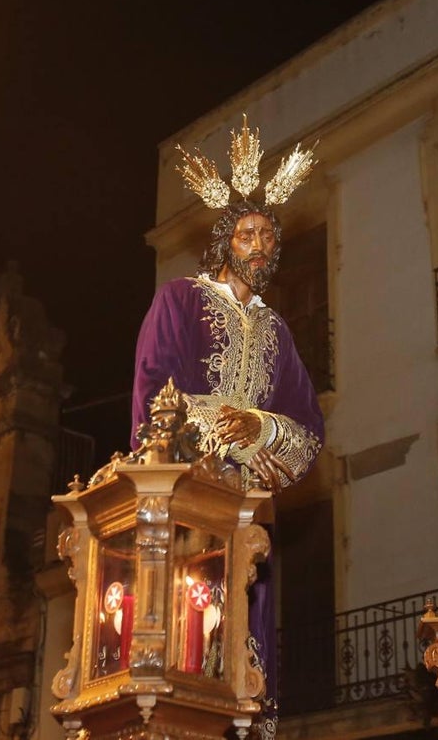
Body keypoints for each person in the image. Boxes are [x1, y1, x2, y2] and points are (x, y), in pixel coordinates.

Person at [130, 117, 324, 738]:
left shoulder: (277, 332)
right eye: (248, 233)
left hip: (248, 513)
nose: (261, 246)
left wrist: (263, 431)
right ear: (223, 241)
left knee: (242, 646)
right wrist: (221, 428)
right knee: (187, 640)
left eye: (269, 236)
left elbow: (309, 428)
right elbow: (153, 396)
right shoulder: (179, 301)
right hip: (188, 500)